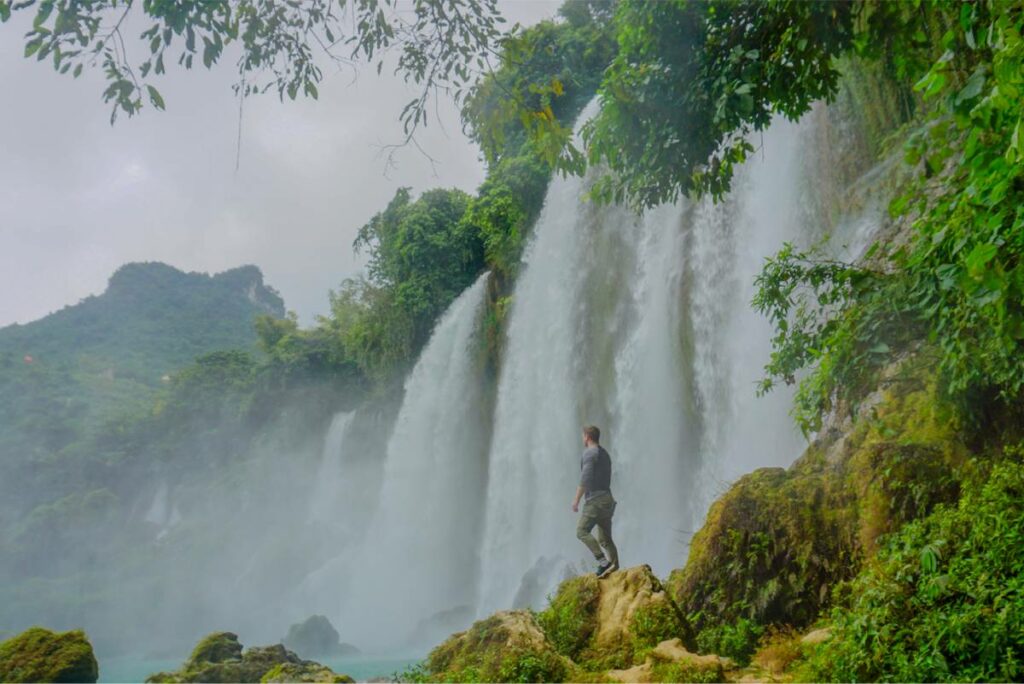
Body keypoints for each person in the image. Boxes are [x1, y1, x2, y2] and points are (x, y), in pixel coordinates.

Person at [572, 425, 619, 578]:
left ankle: (603, 562)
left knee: (581, 531)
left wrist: (576, 500)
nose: (582, 438)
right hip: (607, 500)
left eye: (582, 436)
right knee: (605, 538)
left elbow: (585, 479)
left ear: (587, 436)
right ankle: (614, 565)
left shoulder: (590, 453)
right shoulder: (604, 454)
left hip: (595, 501)